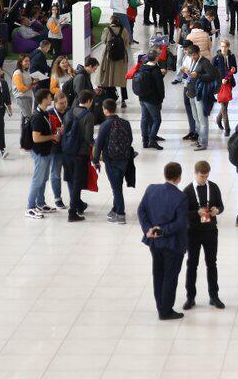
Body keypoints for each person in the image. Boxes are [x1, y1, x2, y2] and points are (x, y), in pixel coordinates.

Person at [138, 161, 189, 320]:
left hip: (154, 242)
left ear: (165, 174)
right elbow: (180, 223)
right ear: (179, 178)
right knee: (170, 277)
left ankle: (160, 306)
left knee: (158, 274)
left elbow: (141, 210)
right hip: (172, 244)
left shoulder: (151, 189)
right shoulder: (181, 198)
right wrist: (161, 231)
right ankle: (166, 311)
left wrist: (149, 230)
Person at [183, 160, 226, 310]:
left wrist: (217, 210)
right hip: (193, 233)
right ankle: (190, 297)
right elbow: (183, 213)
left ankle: (214, 296)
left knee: (211, 263)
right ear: (195, 174)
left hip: (210, 231)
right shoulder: (187, 191)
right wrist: (196, 213)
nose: (204, 179)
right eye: (202, 176)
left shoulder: (213, 187)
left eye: (206, 176)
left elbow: (221, 205)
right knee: (192, 265)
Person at [93, 97, 135, 224]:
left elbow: (98, 145)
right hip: (125, 159)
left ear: (105, 110)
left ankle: (121, 214)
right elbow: (131, 140)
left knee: (116, 189)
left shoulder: (105, 125)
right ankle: (115, 208)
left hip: (111, 160)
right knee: (118, 185)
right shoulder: (125, 123)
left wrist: (95, 160)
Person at [62, 90, 97, 222]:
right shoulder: (88, 115)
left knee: (71, 180)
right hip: (80, 153)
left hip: (66, 151)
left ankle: (78, 205)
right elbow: (88, 138)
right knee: (77, 183)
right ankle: (72, 212)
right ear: (89, 101)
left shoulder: (69, 112)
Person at [25, 89, 60, 219]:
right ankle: (29, 207)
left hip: (46, 151)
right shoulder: (38, 117)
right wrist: (52, 137)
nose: (51, 99)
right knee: (37, 180)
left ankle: (40, 203)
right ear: (44, 99)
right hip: (39, 152)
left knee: (43, 179)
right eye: (50, 97)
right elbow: (36, 138)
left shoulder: (44, 113)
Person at [135, 49, 167, 149]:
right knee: (157, 119)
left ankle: (145, 140)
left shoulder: (142, 67)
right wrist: (161, 98)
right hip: (152, 100)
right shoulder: (155, 70)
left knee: (145, 118)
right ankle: (152, 140)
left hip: (142, 98)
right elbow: (160, 87)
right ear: (156, 58)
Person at [212, 40, 237, 134]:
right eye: (222, 46)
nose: (223, 48)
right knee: (223, 106)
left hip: (229, 83)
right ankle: (227, 128)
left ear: (228, 47)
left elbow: (235, 69)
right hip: (220, 84)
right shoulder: (216, 58)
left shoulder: (231, 57)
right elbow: (212, 72)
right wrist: (220, 79)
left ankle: (218, 119)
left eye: (225, 46)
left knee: (225, 104)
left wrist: (233, 70)